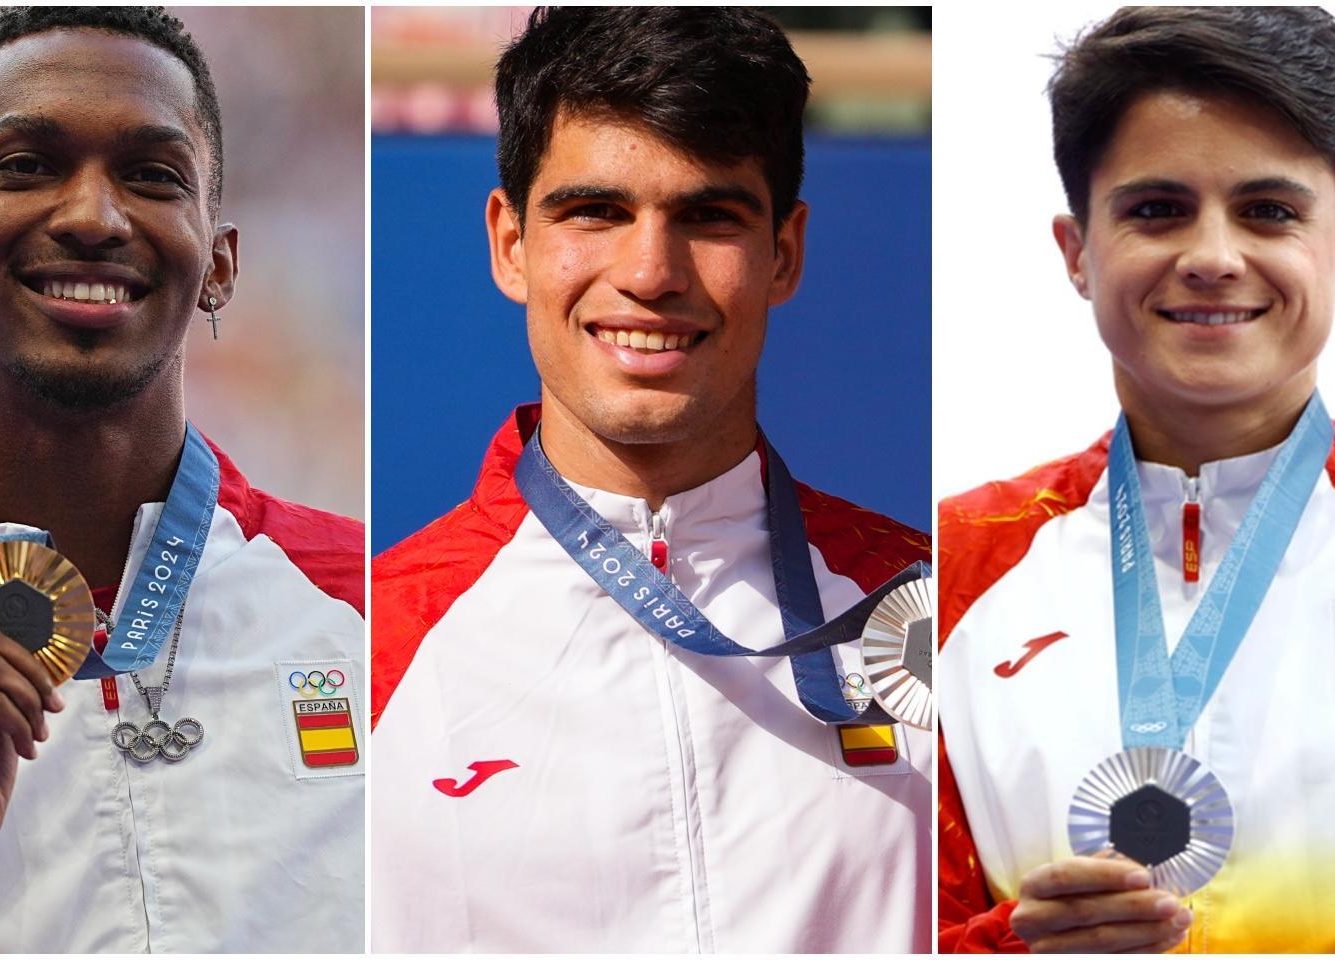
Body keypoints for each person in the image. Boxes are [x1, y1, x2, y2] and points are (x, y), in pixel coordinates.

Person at [937, 6, 1335, 954]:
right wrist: (1013, 944)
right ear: (1078, 252)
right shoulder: (949, 569)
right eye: (1156, 209)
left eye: (1269, 212)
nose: (1211, 257)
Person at [371, 7, 931, 953]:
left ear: (783, 253)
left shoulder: (938, 610)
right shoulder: (369, 643)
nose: (651, 272)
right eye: (595, 211)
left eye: (709, 216)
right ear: (510, 242)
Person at [0, 8, 364, 953]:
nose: (94, 218)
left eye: (152, 176)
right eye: (26, 165)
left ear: (219, 262)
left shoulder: (375, 606)